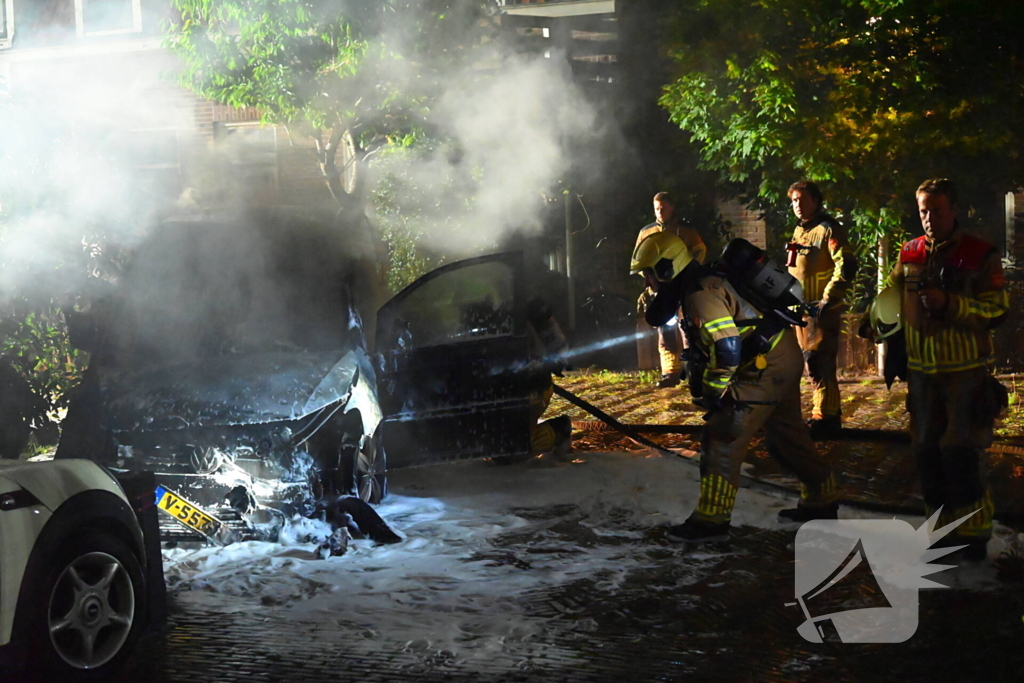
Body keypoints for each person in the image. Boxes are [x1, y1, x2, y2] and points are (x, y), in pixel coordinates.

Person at [632, 231, 837, 543]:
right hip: (780, 356)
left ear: (666, 268)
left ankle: (711, 521)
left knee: (722, 438)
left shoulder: (700, 294)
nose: (648, 282)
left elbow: (727, 348)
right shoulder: (700, 283)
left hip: (763, 368)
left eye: (648, 274)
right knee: (785, 438)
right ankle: (823, 496)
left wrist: (714, 394)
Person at [880, 178, 1009, 560]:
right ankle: (940, 533)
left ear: (954, 210)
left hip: (965, 371)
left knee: (961, 452)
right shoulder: (909, 252)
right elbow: (889, 297)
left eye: (936, 210)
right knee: (926, 453)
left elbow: (997, 309)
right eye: (923, 210)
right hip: (921, 373)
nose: (929, 218)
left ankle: (972, 537)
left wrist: (951, 305)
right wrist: (878, 319)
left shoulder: (980, 253)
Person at [785, 181, 857, 438]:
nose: (798, 205)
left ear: (816, 201)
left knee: (819, 362)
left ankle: (824, 417)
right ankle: (827, 414)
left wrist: (828, 298)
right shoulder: (800, 231)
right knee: (810, 363)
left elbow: (845, 264)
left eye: (803, 200)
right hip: (800, 310)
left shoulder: (828, 229)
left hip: (820, 310)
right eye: (794, 200)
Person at [635, 192, 707, 388]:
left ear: (671, 208)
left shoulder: (686, 230)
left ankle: (693, 369)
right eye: (656, 208)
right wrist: (649, 281)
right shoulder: (647, 232)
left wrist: (691, 273)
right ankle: (670, 373)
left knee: (688, 329)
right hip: (661, 290)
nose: (660, 212)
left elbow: (700, 252)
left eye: (663, 208)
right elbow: (640, 259)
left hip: (684, 287)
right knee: (665, 330)